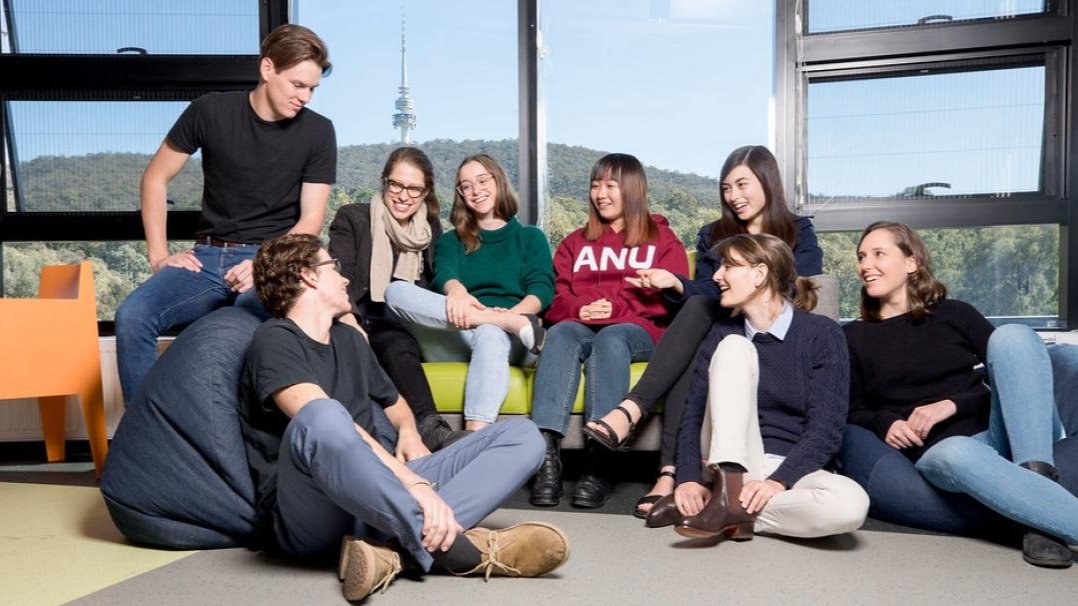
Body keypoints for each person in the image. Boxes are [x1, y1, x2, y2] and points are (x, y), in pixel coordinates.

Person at [241, 234, 570, 601]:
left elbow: (394, 401)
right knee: (323, 414)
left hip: (379, 496)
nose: (344, 277)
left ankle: (392, 555)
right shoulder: (273, 340)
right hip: (314, 508)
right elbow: (328, 426)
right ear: (308, 276)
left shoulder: (349, 340)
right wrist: (414, 486)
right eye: (333, 267)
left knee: (523, 436)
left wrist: (409, 431)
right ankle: (461, 552)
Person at [584, 145, 824, 517]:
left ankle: (634, 417)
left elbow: (795, 283)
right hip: (719, 323)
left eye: (742, 185)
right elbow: (711, 290)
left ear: (767, 182)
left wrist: (739, 286)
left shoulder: (798, 230)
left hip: (767, 326)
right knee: (698, 330)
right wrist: (676, 284)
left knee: (699, 316)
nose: (734, 196)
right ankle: (670, 473)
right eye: (726, 189)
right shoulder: (713, 234)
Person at [115, 24, 337, 403]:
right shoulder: (208, 111)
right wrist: (158, 256)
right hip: (204, 260)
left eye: (312, 89)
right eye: (298, 85)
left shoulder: (319, 132)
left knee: (247, 326)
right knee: (132, 317)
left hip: (269, 260)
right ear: (268, 69)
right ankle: (148, 439)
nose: (305, 96)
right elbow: (154, 178)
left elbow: (310, 222)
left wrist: (267, 264)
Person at [841, 221, 1078, 569]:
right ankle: (1041, 511)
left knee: (1012, 336)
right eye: (862, 256)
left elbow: (1011, 378)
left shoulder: (955, 314)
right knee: (955, 452)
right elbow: (850, 410)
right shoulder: (853, 337)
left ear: (911, 263)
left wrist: (951, 405)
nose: (865, 265)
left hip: (1004, 436)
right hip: (940, 454)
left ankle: (1036, 492)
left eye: (878, 253)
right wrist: (885, 422)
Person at [644, 233, 867, 541]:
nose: (718, 276)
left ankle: (727, 509)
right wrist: (688, 479)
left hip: (788, 465)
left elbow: (826, 427)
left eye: (728, 266)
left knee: (850, 505)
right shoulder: (723, 334)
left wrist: (779, 482)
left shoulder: (822, 334)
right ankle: (727, 490)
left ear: (760, 274)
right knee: (735, 346)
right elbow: (693, 414)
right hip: (727, 460)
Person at [528, 153, 689, 508]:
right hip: (583, 325)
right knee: (562, 334)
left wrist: (616, 309)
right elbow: (555, 301)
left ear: (631, 190)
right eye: (595, 185)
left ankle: (600, 464)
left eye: (610, 185)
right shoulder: (575, 242)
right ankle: (547, 461)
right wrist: (578, 309)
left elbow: (676, 301)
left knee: (612, 338)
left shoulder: (662, 239)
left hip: (640, 331)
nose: (600, 193)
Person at [385, 154, 554, 430]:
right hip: (459, 333)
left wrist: (514, 316)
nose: (475, 191)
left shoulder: (530, 236)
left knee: (490, 333)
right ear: (460, 194)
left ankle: (473, 439)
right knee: (396, 291)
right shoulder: (451, 240)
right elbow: (445, 276)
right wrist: (458, 292)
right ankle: (498, 322)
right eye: (466, 186)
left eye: (482, 181)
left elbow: (541, 289)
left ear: (498, 181)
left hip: (516, 338)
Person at [328, 147, 467, 451]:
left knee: (400, 336)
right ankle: (424, 431)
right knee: (381, 344)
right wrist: (351, 323)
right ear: (384, 182)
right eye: (397, 185)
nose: (404, 196)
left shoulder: (429, 228)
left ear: (426, 192)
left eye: (414, 189)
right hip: (361, 319)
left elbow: (432, 285)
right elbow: (340, 278)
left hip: (409, 326)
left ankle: (430, 429)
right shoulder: (354, 217)